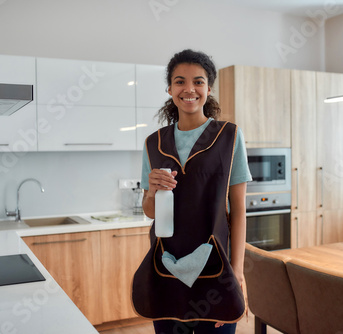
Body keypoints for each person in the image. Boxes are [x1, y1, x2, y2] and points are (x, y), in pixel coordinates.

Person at [132, 49, 252, 334]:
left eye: (198, 82)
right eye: (180, 81)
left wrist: (238, 272)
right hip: (166, 266)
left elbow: (238, 211)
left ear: (209, 89)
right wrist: (151, 192)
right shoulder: (154, 143)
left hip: (216, 267)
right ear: (170, 89)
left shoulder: (230, 137)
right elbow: (150, 212)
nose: (189, 89)